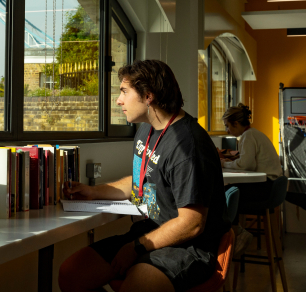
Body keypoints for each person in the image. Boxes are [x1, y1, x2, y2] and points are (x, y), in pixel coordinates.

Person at [58, 60, 229, 292]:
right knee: (71, 274)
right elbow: (142, 179)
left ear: (148, 96)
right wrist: (94, 191)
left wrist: (136, 248)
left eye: (124, 92)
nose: (119, 100)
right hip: (145, 234)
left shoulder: (188, 146)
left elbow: (192, 224)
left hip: (187, 247)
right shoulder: (146, 129)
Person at [221, 103, 282, 254]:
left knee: (226, 193)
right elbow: (248, 163)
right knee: (230, 191)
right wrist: (233, 163)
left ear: (236, 123)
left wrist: (223, 163)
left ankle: (237, 232)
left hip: (265, 189)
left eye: (227, 126)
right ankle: (237, 231)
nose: (227, 130)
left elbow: (246, 165)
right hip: (272, 187)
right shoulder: (254, 133)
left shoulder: (248, 136)